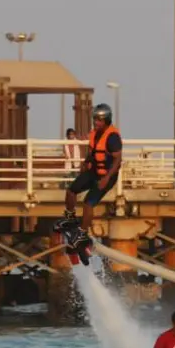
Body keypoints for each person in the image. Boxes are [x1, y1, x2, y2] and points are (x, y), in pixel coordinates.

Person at [54, 104, 122, 247]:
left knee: (88, 203)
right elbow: (93, 151)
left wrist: (107, 178)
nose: (96, 122)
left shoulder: (113, 137)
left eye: (99, 120)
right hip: (93, 171)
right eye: (95, 119)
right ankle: (70, 217)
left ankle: (83, 233)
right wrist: (86, 163)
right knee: (71, 190)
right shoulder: (94, 133)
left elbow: (117, 160)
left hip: (107, 176)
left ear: (107, 120)